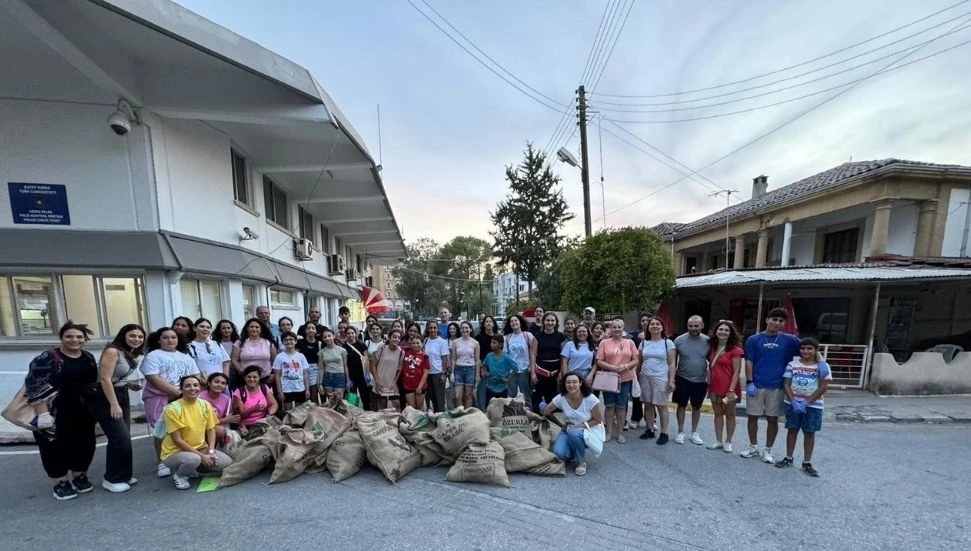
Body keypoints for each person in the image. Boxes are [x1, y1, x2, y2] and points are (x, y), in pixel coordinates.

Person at [24, 322, 99, 501]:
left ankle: (79, 475)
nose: (75, 340)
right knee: (54, 447)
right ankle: (61, 482)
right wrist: (43, 414)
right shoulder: (47, 358)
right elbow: (34, 386)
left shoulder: (88, 357)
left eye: (79, 337)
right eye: (69, 336)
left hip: (82, 410)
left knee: (85, 443)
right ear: (61, 338)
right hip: (54, 412)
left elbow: (92, 382)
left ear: (85, 339)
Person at [89, 324, 145, 493]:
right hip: (106, 398)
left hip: (122, 394)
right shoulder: (112, 351)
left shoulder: (128, 352)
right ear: (123, 336)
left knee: (125, 437)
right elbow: (104, 379)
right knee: (118, 437)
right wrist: (113, 404)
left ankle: (125, 475)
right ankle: (111, 478)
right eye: (132, 336)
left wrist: (128, 384)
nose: (136, 339)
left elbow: (115, 376)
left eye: (140, 337)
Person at [741, 307, 801, 464]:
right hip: (757, 384)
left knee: (772, 419)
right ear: (767, 320)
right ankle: (753, 447)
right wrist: (749, 381)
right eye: (774, 319)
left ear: (784, 323)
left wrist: (821, 364)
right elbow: (749, 361)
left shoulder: (791, 340)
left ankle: (768, 450)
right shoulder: (753, 340)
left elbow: (809, 349)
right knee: (752, 417)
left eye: (781, 321)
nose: (777, 323)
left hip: (778, 386)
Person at [141, 327, 200, 479]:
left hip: (184, 397)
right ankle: (161, 461)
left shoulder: (185, 356)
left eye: (173, 337)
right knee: (161, 430)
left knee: (183, 428)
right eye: (166, 337)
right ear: (159, 340)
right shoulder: (153, 356)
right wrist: (179, 394)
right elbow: (153, 378)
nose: (170, 340)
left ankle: (184, 459)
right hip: (160, 398)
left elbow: (196, 375)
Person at [159, 375, 233, 490]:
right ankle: (179, 475)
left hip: (200, 447)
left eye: (195, 385)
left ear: (200, 387)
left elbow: (211, 429)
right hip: (174, 452)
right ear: (181, 389)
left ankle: (193, 468)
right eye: (187, 386)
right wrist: (202, 457)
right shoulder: (172, 409)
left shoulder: (204, 404)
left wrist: (211, 451)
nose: (192, 388)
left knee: (226, 463)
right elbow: (177, 440)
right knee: (194, 459)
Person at [776, 338, 832, 477]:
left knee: (809, 432)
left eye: (809, 348)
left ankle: (807, 462)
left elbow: (823, 387)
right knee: (792, 430)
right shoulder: (792, 364)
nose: (805, 351)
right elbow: (787, 384)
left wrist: (807, 402)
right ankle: (788, 457)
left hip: (814, 406)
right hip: (792, 404)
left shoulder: (823, 367)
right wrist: (793, 401)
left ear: (816, 350)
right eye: (803, 348)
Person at [544, 372, 603, 477]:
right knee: (559, 453)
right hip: (568, 429)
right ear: (564, 384)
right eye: (568, 382)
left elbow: (598, 420)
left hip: (588, 430)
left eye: (574, 382)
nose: (571, 385)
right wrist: (543, 408)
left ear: (580, 383)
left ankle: (581, 462)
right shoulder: (561, 397)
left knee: (574, 433)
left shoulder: (590, 398)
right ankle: (573, 452)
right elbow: (547, 411)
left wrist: (578, 426)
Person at [592, 317, 638, 443]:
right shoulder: (604, 343)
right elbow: (599, 361)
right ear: (610, 328)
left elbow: (636, 359)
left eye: (619, 327)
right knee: (609, 406)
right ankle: (609, 432)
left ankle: (620, 433)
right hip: (609, 379)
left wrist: (625, 366)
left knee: (621, 406)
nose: (617, 329)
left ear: (623, 328)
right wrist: (613, 368)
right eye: (614, 327)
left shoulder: (630, 342)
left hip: (625, 379)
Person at [636, 316, 676, 445]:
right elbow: (639, 361)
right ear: (648, 327)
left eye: (657, 324)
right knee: (648, 404)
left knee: (661, 406)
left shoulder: (668, 343)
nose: (654, 326)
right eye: (652, 324)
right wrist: (635, 376)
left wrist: (671, 380)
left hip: (661, 377)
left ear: (662, 327)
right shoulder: (643, 343)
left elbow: (672, 363)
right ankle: (650, 429)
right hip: (645, 377)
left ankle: (664, 433)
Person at [706, 321, 744, 452]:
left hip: (729, 388)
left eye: (726, 330)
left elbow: (736, 372)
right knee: (717, 414)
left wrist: (731, 390)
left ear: (731, 333)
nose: (723, 332)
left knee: (730, 415)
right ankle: (718, 440)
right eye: (720, 329)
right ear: (716, 331)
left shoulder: (736, 350)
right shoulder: (712, 347)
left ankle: (728, 441)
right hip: (714, 387)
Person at [673, 315, 710, 446]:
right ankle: (680, 432)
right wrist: (671, 380)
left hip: (700, 380)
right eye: (690, 326)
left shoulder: (708, 341)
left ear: (702, 326)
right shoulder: (679, 340)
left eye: (696, 326)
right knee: (681, 405)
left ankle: (694, 432)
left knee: (697, 406)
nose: (693, 328)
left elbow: (714, 362)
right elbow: (673, 362)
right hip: (682, 378)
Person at [231, 318, 277, 398]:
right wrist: (242, 372)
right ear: (247, 328)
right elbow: (234, 360)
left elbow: (275, 361)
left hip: (266, 378)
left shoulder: (268, 343)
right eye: (251, 327)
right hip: (246, 379)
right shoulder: (239, 343)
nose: (254, 329)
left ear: (261, 329)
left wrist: (274, 374)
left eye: (257, 327)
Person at [533, 312, 565, 413]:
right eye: (548, 320)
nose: (550, 322)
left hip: (555, 371)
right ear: (543, 322)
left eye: (552, 320)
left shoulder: (560, 336)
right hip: (541, 371)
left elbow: (563, 356)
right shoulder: (537, 336)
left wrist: (561, 372)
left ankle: (554, 423)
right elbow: (533, 355)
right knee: (539, 395)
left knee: (554, 396)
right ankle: (539, 419)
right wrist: (533, 373)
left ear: (556, 322)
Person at [503, 314, 537, 409]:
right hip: (511, 372)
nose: (514, 323)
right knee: (512, 395)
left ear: (520, 322)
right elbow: (505, 355)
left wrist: (532, 369)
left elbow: (533, 354)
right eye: (511, 321)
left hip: (524, 370)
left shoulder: (528, 335)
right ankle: (514, 416)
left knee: (526, 395)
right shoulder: (507, 338)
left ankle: (528, 415)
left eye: (516, 320)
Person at [233, 365, 279, 435]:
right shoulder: (239, 392)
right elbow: (239, 415)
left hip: (263, 421)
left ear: (259, 377)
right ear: (244, 377)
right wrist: (253, 409)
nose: (252, 379)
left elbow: (274, 404)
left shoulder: (264, 387)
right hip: (247, 426)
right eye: (249, 377)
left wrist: (269, 414)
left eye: (255, 377)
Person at [272, 331, 310, 410]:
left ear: (295, 341)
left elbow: (305, 373)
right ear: (282, 342)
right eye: (286, 340)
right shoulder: (279, 357)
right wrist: (279, 391)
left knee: (300, 412)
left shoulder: (301, 356)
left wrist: (307, 389)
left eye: (291, 339)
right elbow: (277, 375)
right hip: (286, 389)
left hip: (300, 388)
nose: (289, 341)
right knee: (287, 412)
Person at [201, 372, 239, 447]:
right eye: (216, 382)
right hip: (201, 427)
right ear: (209, 383)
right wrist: (224, 420)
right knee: (219, 430)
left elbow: (230, 418)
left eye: (223, 383)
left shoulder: (226, 398)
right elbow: (202, 422)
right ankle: (208, 449)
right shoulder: (200, 397)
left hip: (218, 425)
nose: (219, 385)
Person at [371, 329, 405, 411]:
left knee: (397, 406)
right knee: (381, 408)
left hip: (391, 384)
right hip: (379, 383)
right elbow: (373, 365)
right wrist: (377, 380)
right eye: (394, 337)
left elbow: (399, 370)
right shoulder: (382, 348)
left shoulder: (401, 352)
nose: (396, 339)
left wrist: (394, 383)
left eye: (399, 338)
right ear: (389, 337)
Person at [451, 321, 480, 409]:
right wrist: (452, 373)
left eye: (467, 328)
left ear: (470, 329)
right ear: (460, 330)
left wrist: (477, 375)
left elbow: (477, 360)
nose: (464, 330)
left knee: (469, 395)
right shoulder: (455, 342)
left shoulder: (475, 343)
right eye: (462, 328)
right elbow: (453, 358)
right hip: (458, 369)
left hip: (470, 370)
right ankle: (460, 413)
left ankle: (467, 414)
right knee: (458, 396)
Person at [424, 321, 450, 412]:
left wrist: (444, 373)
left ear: (437, 329)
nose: (432, 330)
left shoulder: (442, 342)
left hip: (438, 373)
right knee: (431, 397)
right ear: (427, 329)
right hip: (427, 374)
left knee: (439, 398)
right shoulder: (426, 340)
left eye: (434, 328)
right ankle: (434, 417)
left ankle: (441, 416)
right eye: (430, 328)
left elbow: (444, 359)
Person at [343, 326, 372, 410]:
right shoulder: (344, 347)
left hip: (362, 375)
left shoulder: (361, 345)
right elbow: (345, 365)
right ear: (345, 335)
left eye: (352, 333)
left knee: (365, 396)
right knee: (352, 398)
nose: (350, 335)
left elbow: (366, 360)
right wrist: (347, 379)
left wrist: (367, 373)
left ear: (355, 334)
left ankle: (367, 413)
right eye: (348, 333)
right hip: (351, 375)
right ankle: (353, 413)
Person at [475, 316, 500, 409]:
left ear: (493, 324)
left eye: (490, 321)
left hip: (496, 368)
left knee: (496, 392)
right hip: (483, 368)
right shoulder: (479, 337)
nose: (488, 323)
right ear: (483, 324)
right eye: (486, 322)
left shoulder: (498, 337)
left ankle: (494, 412)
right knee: (482, 391)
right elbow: (478, 355)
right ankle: (481, 412)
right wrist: (481, 368)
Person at [482, 334, 517, 401]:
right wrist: (486, 373)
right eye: (491, 342)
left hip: (502, 388)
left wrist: (508, 379)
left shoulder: (506, 357)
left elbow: (515, 368)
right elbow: (483, 365)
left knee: (502, 408)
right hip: (490, 387)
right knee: (490, 408)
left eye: (494, 343)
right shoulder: (489, 356)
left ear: (500, 345)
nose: (491, 344)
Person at [296, 323, 324, 405]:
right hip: (303, 370)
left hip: (316, 369)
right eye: (308, 328)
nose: (310, 330)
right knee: (306, 395)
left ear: (316, 331)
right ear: (305, 331)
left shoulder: (320, 343)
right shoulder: (300, 342)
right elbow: (296, 356)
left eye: (313, 328)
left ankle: (316, 414)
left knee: (314, 395)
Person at [318, 328, 349, 399]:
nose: (327, 338)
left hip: (340, 377)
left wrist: (348, 380)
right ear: (322, 339)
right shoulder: (321, 352)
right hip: (327, 377)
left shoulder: (342, 350)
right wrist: (320, 383)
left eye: (329, 336)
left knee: (339, 400)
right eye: (324, 337)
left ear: (334, 336)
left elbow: (345, 366)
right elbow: (321, 368)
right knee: (331, 401)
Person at [402, 335, 431, 409]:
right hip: (408, 384)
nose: (415, 345)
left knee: (419, 406)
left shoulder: (425, 357)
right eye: (414, 343)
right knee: (411, 406)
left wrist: (420, 387)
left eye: (418, 343)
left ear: (422, 344)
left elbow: (425, 374)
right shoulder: (407, 352)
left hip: (419, 385)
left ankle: (420, 420)